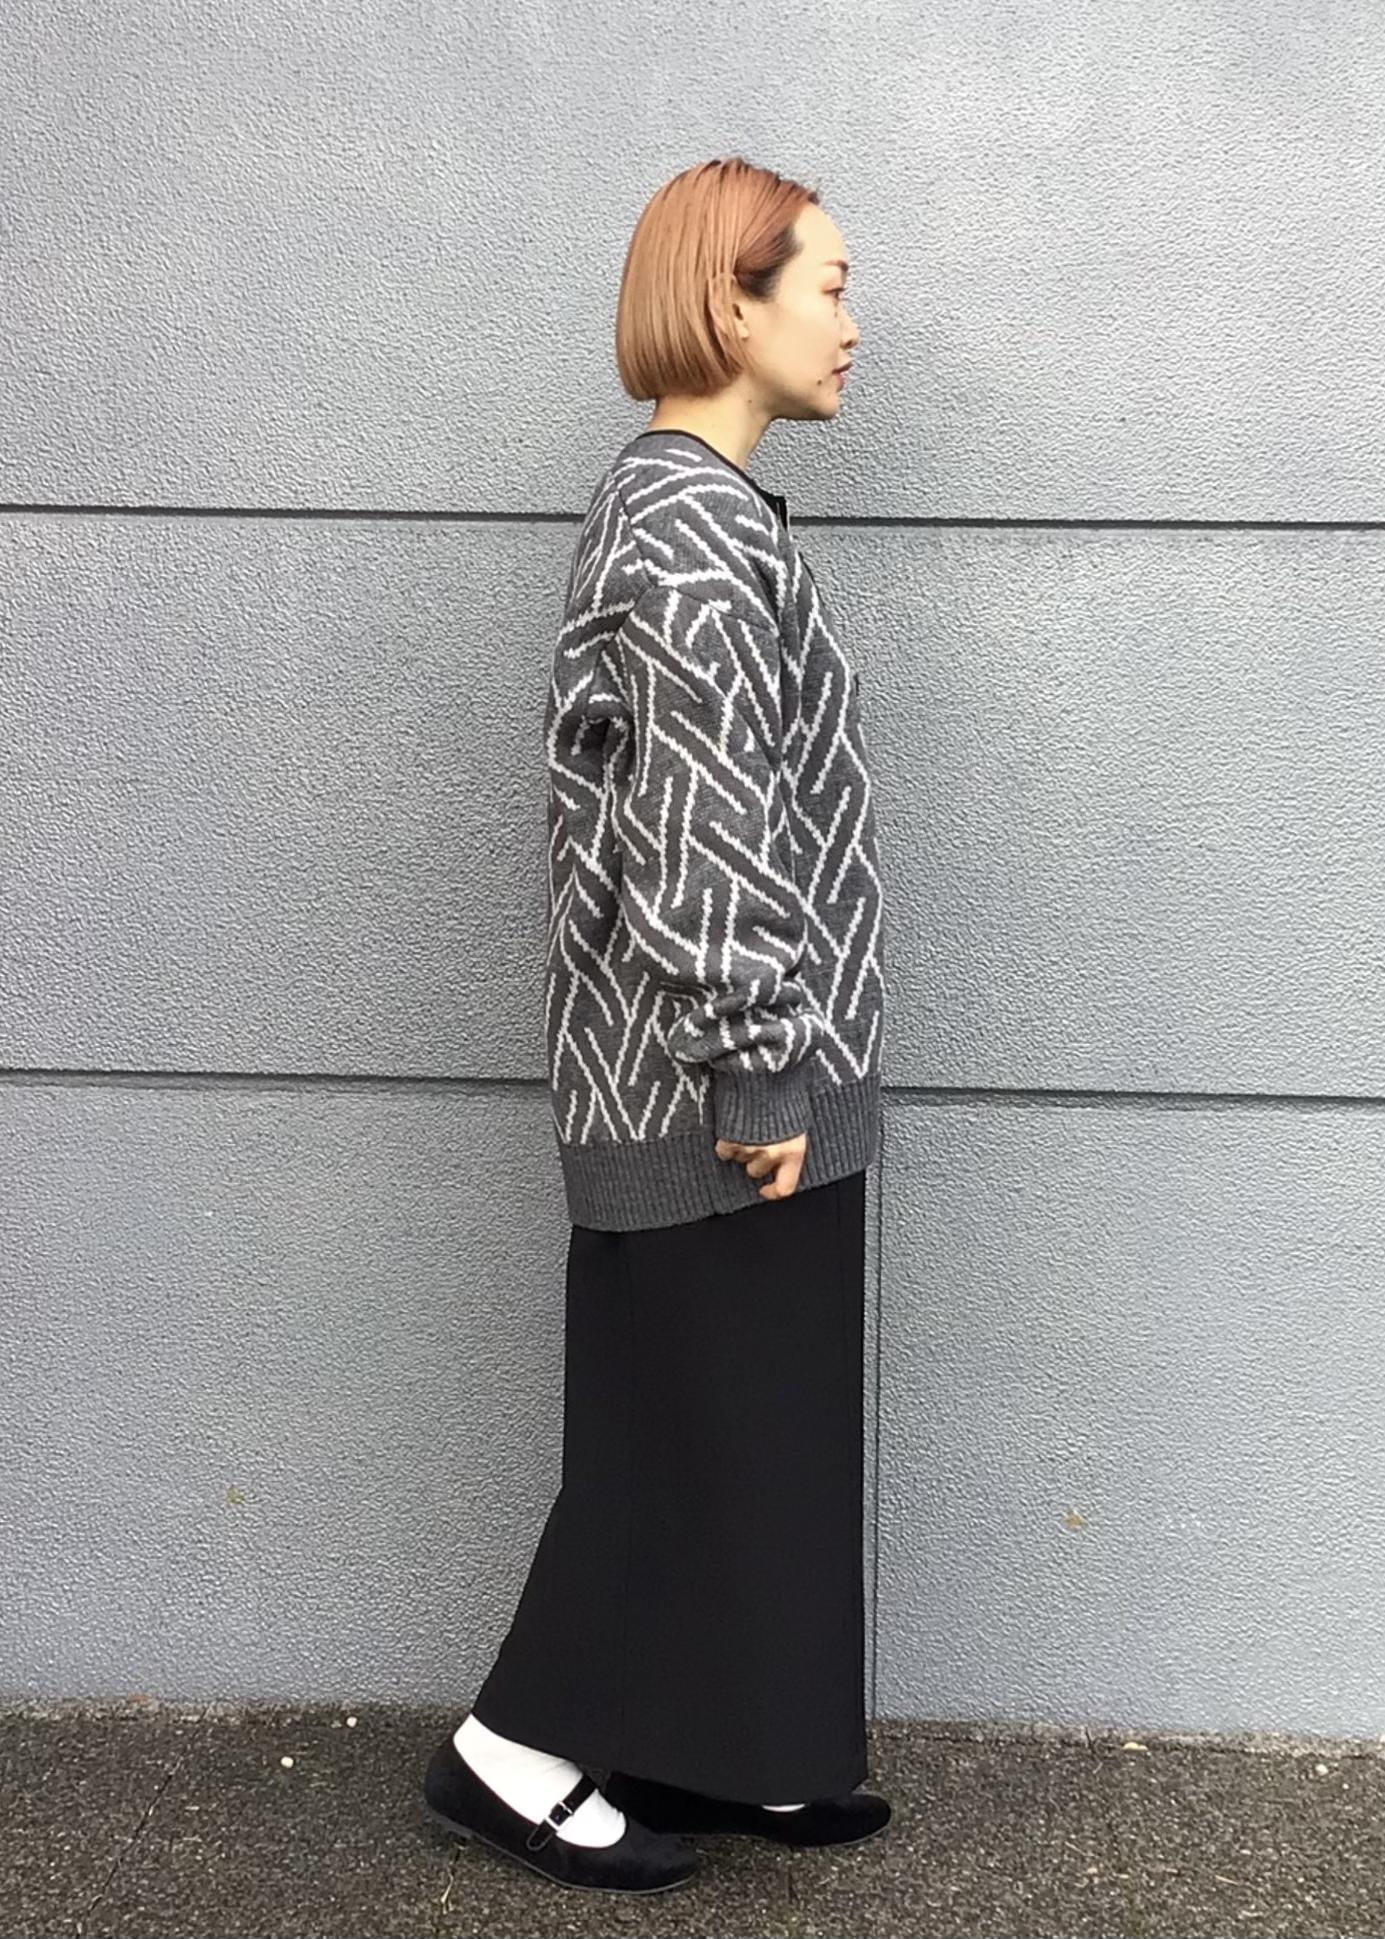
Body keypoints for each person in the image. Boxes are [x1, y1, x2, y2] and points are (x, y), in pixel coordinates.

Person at [422, 154, 890, 1895]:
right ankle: (509, 1752)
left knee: (750, 1424)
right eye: (825, 285)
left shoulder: (701, 509)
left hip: (723, 1070)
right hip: (706, 1083)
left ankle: (729, 1749)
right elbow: (694, 824)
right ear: (726, 302)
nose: (852, 324)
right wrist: (759, 1058)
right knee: (684, 1434)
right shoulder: (687, 529)